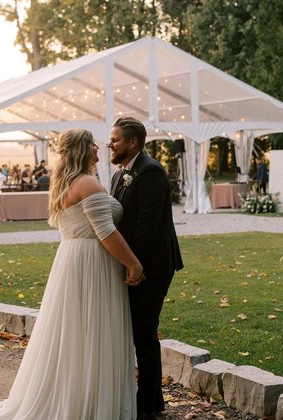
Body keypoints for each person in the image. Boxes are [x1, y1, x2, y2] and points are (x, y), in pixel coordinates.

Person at [0, 128, 144, 420]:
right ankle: (88, 403)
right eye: (94, 146)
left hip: (73, 260)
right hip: (91, 263)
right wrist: (134, 264)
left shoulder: (66, 182)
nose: (100, 150)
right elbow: (106, 232)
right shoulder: (87, 183)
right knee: (90, 330)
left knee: (76, 333)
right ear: (84, 150)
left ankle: (79, 394)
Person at [109, 116, 184, 420]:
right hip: (133, 262)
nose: (110, 144)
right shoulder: (119, 175)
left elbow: (146, 227)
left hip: (152, 264)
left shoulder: (151, 171)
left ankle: (146, 407)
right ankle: (155, 400)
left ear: (132, 142)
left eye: (115, 139)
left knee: (144, 332)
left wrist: (133, 265)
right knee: (138, 330)